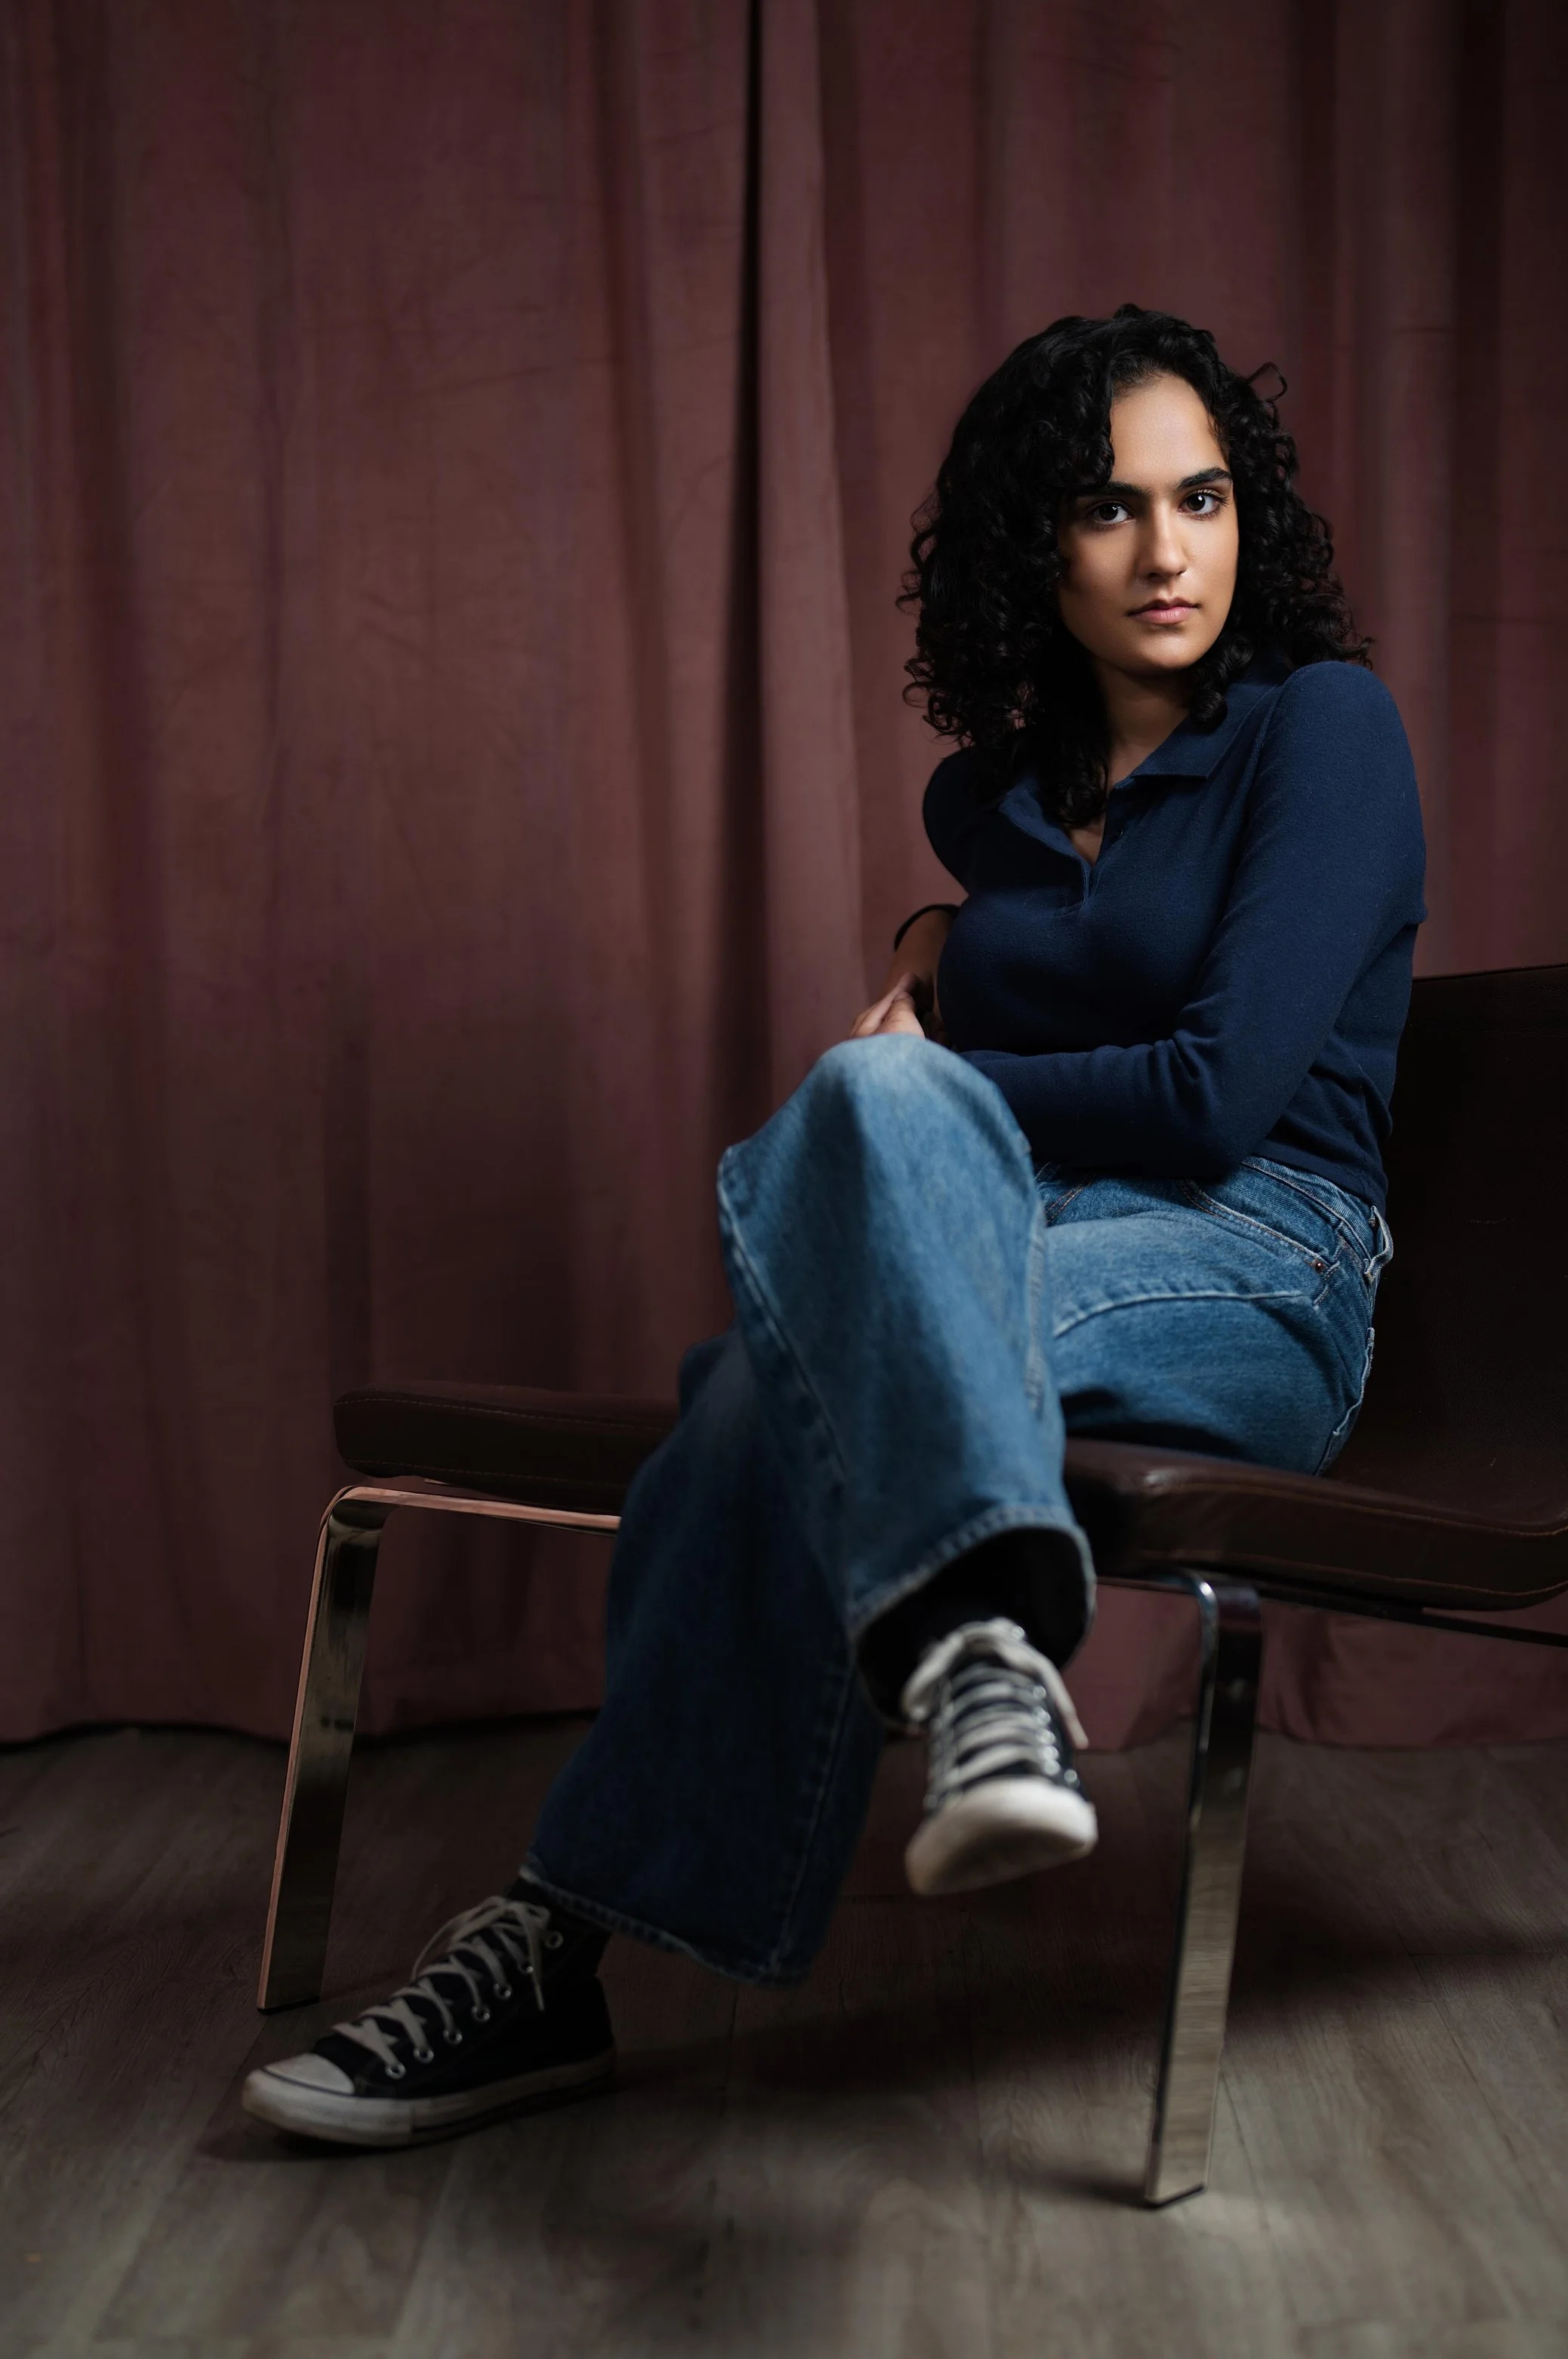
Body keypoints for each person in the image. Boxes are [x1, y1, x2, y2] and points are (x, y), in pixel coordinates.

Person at [244, 305, 1425, 2149]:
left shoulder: (1321, 731)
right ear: (1033, 548)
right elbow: (1052, 984)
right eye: (1107, 507)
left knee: (842, 1179)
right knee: (757, 1389)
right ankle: (969, 1676)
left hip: (1259, 1264)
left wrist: (932, 1058)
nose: (1166, 549)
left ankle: (573, 1927)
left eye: (1198, 496)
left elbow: (1212, 1094)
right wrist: (939, 947)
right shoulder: (999, 805)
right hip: (1020, 1237)